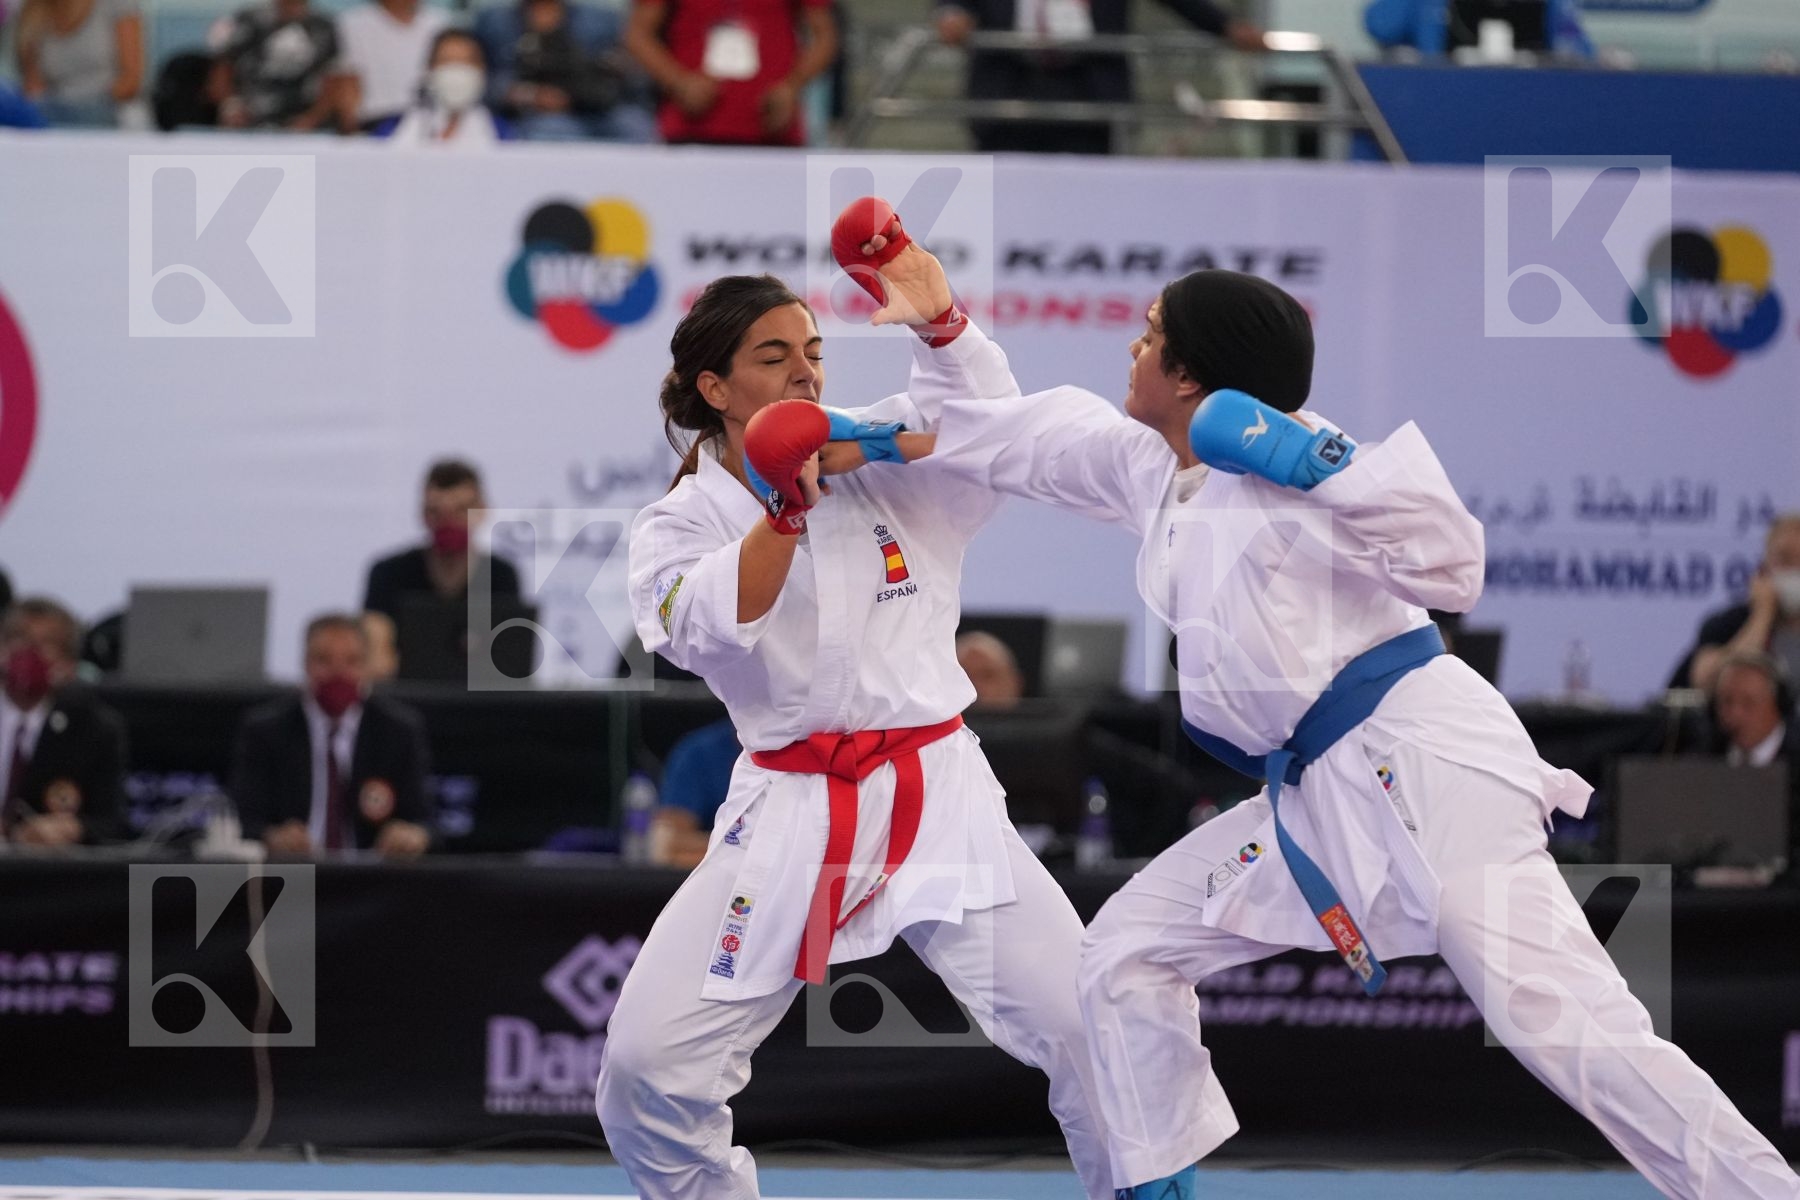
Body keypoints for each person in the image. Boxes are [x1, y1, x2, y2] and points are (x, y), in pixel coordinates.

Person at [907, 268, 1799, 1198]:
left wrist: (1309, 458)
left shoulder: (1299, 469)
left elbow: (1456, 565)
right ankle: (1155, 1186)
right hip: (1315, 797)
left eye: (1150, 332)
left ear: (1189, 377)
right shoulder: (1157, 467)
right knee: (1128, 947)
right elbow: (1027, 441)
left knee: (1568, 1027)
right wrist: (877, 420)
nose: (1131, 348)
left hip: (1427, 766)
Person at [596, 223, 1113, 1196]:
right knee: (646, 1070)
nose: (804, 372)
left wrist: (944, 325)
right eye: (773, 356)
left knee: (1093, 1024)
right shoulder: (682, 521)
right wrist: (781, 511)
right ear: (714, 388)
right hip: (794, 806)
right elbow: (706, 628)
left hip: (938, 792)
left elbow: (986, 426)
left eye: (815, 353)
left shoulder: (872, 448)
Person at [934, 0, 1264, 155]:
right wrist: (952, 14)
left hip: (1090, 90)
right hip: (1008, 90)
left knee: (1085, 197)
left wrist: (1225, 27)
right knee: (1003, 198)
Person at [231, 613, 432, 859]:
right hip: (292, 878)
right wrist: (272, 836)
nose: (339, 673)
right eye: (324, 660)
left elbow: (425, 821)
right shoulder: (267, 730)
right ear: (304, 663)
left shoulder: (397, 730)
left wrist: (411, 834)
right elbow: (244, 819)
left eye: (352, 661)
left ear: (367, 667)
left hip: (373, 881)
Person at [362, 458, 522, 671]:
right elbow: (374, 658)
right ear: (422, 513)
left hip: (479, 700)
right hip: (405, 697)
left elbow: (509, 660)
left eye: (461, 510)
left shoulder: (501, 575)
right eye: (436, 511)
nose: (449, 522)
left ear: (482, 511)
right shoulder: (388, 573)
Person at [1, 597, 128, 845]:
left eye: (45, 644)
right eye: (20, 639)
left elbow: (111, 824)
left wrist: (73, 829)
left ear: (69, 664)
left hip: (35, 874)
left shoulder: (93, 729)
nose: (28, 653)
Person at [622, 0, 835, 147]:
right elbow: (638, 33)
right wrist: (679, 83)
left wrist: (791, 87)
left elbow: (825, 36)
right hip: (692, 127)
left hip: (772, 127)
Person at [480, 0, 651, 141]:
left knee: (635, 126)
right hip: (540, 115)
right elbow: (485, 82)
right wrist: (532, 95)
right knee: (548, 131)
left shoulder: (602, 21)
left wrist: (615, 74)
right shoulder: (495, 22)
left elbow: (633, 77)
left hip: (600, 109)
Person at [1670, 512, 1800, 693]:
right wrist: (1762, 615)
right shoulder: (1729, 622)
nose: (1795, 569)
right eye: (1785, 559)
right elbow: (1705, 682)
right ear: (1764, 567)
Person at [208, 0, 341, 129]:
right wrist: (231, 106)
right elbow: (223, 68)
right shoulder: (249, 20)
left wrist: (312, 118)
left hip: (303, 121)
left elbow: (335, 79)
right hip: (249, 118)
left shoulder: (324, 27)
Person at [13, 0, 143, 126]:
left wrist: (95, 104)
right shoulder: (33, 10)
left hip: (108, 109)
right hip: (54, 112)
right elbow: (33, 86)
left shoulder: (117, 4)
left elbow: (131, 80)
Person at [376, 28, 515, 145]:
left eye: (466, 62)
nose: (457, 70)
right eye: (447, 61)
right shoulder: (394, 128)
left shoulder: (501, 132)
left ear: (482, 70)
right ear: (429, 69)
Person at [330, 0, 447, 132]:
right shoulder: (352, 23)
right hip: (376, 123)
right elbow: (347, 79)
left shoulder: (439, 22)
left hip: (428, 122)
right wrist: (350, 126)